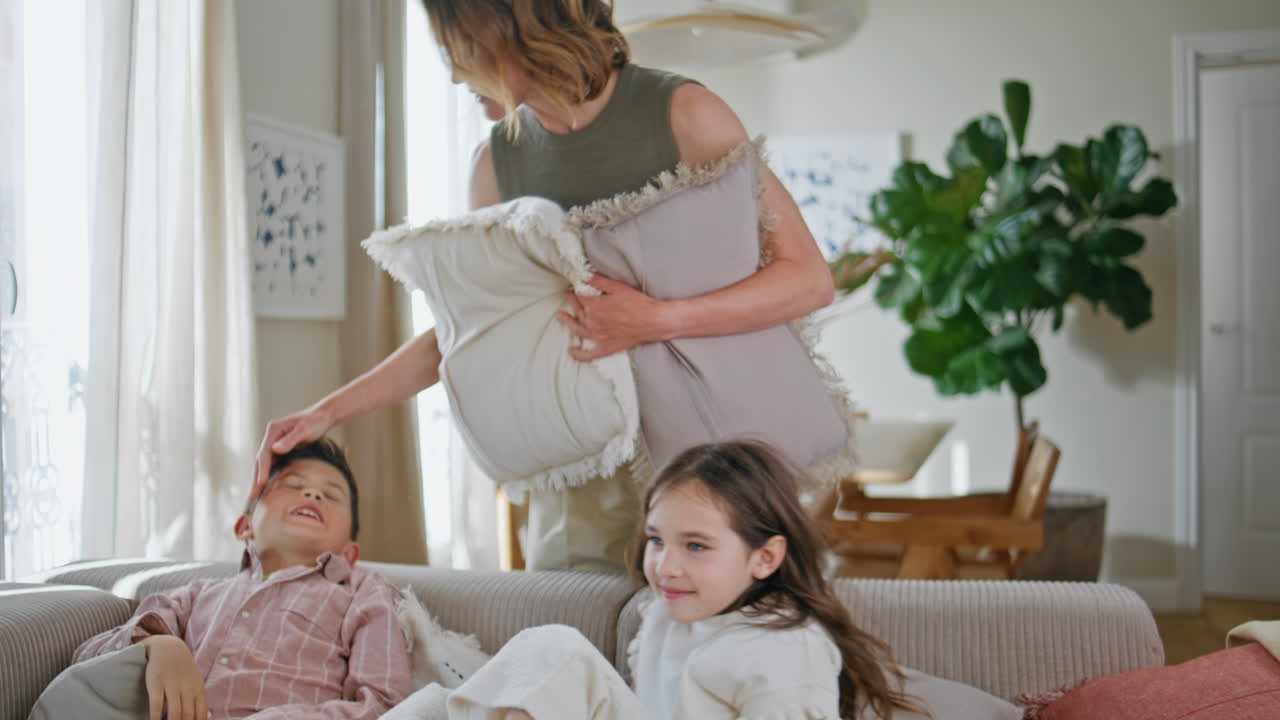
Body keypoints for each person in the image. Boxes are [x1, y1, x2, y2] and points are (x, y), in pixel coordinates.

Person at [254, 0, 835, 573]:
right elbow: (475, 333)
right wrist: (327, 412)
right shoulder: (495, 165)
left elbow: (807, 279)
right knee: (573, 653)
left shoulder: (686, 114)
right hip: (583, 472)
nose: (456, 72)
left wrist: (656, 320)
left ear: (514, 28)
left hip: (714, 459)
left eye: (463, 49)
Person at [439, 441, 929, 719]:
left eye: (696, 546)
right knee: (432, 706)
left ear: (765, 557)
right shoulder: (666, 618)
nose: (666, 567)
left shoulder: (785, 649)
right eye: (657, 540)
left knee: (558, 651)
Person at [29, 439, 413, 720]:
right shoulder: (197, 595)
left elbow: (385, 703)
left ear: (349, 552)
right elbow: (88, 659)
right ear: (245, 526)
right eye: (293, 485)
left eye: (332, 495)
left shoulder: (361, 592)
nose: (313, 492)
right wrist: (159, 645)